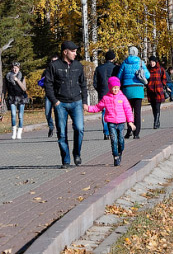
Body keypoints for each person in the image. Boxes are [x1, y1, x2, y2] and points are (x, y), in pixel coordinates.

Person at [45, 41, 88, 169]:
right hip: (61, 104)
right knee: (62, 133)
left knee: (79, 129)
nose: (75, 53)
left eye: (75, 51)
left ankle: (77, 153)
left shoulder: (78, 65)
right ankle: (66, 160)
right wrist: (55, 101)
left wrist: (84, 101)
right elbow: (48, 85)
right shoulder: (54, 66)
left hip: (76, 102)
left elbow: (83, 84)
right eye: (73, 51)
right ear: (65, 52)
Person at [85, 77, 135, 166]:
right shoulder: (106, 98)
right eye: (113, 87)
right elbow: (97, 107)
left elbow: (128, 110)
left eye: (117, 87)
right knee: (114, 140)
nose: (115, 89)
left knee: (121, 141)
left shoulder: (122, 98)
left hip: (121, 122)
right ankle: (115, 156)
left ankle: (120, 152)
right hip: (111, 122)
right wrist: (88, 108)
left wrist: (130, 121)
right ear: (110, 87)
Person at [117, 47, 149, 139]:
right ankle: (137, 133)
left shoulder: (124, 62)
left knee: (128, 112)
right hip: (138, 89)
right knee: (137, 113)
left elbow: (119, 77)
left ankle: (129, 131)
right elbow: (147, 75)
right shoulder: (140, 62)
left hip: (127, 89)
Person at [93, 50, 119, 140]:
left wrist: (99, 90)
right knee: (114, 111)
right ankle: (113, 130)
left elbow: (95, 83)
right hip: (113, 93)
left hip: (103, 93)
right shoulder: (116, 68)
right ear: (113, 58)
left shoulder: (99, 68)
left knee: (104, 113)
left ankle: (106, 132)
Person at [5, 62, 29, 139]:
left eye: (17, 68)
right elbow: (4, 89)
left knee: (20, 116)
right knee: (13, 114)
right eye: (14, 68)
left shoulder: (22, 77)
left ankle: (19, 132)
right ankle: (14, 131)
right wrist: (2, 97)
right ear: (12, 68)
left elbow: (24, 88)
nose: (15, 69)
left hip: (21, 97)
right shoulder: (8, 77)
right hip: (12, 97)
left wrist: (17, 80)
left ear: (19, 68)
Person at [39, 55, 58, 137]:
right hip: (48, 95)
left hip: (57, 95)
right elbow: (42, 82)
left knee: (58, 113)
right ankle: (51, 126)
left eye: (55, 61)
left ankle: (59, 129)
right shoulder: (46, 71)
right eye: (52, 61)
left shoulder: (60, 70)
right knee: (47, 113)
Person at [146, 56, 167, 129]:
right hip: (150, 90)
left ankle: (156, 121)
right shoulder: (147, 69)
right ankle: (156, 120)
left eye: (153, 62)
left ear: (156, 62)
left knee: (157, 107)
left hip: (158, 90)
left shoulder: (160, 69)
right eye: (150, 62)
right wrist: (147, 85)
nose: (152, 63)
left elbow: (164, 78)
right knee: (153, 107)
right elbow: (145, 78)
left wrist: (162, 84)